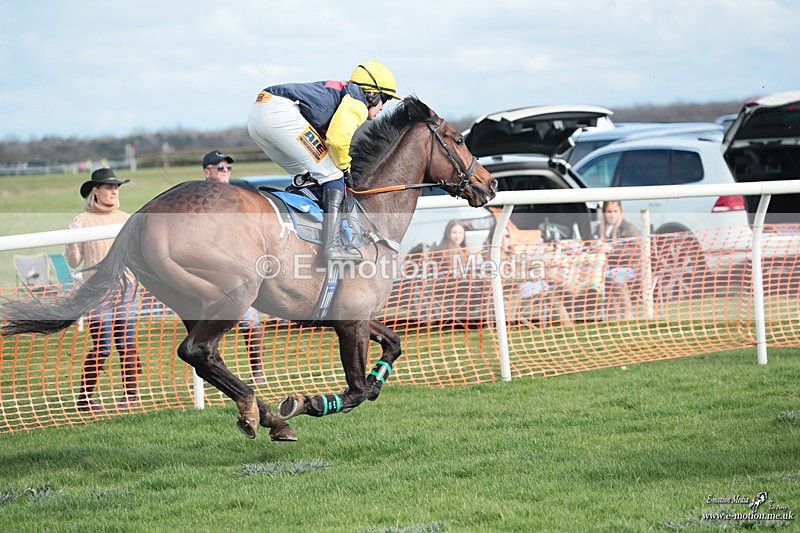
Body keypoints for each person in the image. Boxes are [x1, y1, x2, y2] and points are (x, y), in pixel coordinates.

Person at [246, 61, 401, 262]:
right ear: (372, 94)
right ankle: (332, 246)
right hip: (280, 113)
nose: (382, 107)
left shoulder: (344, 93)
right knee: (333, 174)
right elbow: (337, 140)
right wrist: (345, 167)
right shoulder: (358, 100)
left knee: (305, 176)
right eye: (385, 99)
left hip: (258, 114)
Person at [65, 168, 141, 412]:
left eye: (116, 187)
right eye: (109, 187)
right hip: (97, 292)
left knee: (126, 344)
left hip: (126, 289)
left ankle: (130, 396)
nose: (114, 191)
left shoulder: (126, 219)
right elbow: (74, 261)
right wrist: (72, 238)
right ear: (95, 191)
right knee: (103, 346)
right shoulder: (82, 221)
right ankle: (85, 398)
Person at [201, 150, 267, 386]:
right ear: (207, 172)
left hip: (239, 269)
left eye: (228, 167)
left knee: (250, 322)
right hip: (210, 272)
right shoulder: (200, 198)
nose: (226, 171)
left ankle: (258, 371)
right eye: (220, 168)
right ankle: (210, 373)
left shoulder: (239, 196)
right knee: (207, 326)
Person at [592, 201, 642, 321]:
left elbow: (636, 251)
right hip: (605, 269)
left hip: (630, 268)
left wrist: (613, 250)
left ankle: (628, 315)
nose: (612, 215)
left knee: (615, 277)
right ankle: (612, 319)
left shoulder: (629, 228)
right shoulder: (599, 229)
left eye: (615, 211)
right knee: (600, 279)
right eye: (609, 212)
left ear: (621, 212)